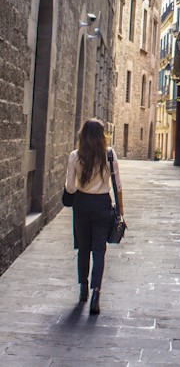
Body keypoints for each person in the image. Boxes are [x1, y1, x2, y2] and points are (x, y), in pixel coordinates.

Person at [65, 119, 125, 315]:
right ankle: (96, 294)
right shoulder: (109, 154)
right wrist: (121, 213)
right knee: (99, 250)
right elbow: (118, 185)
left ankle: (83, 287)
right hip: (102, 205)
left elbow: (70, 187)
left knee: (83, 248)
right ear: (102, 135)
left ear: (82, 134)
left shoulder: (75, 156)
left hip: (82, 205)